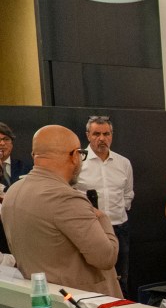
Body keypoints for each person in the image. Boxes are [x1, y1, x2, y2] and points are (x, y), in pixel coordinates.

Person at [1, 125, 120, 297]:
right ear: (74, 156)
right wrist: (103, 218)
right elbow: (105, 258)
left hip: (43, 298)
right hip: (83, 303)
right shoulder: (66, 198)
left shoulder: (13, 191)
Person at [75, 116, 134, 297]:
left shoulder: (123, 162)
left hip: (119, 228)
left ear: (112, 135)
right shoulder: (77, 161)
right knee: (92, 278)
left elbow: (128, 194)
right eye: (96, 134)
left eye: (106, 134)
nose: (102, 138)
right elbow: (70, 194)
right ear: (88, 135)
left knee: (121, 279)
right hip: (89, 228)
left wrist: (118, 210)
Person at [0, 122, 26, 255]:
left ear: (12, 143)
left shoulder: (25, 167)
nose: (2, 143)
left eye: (6, 139)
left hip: (23, 228)